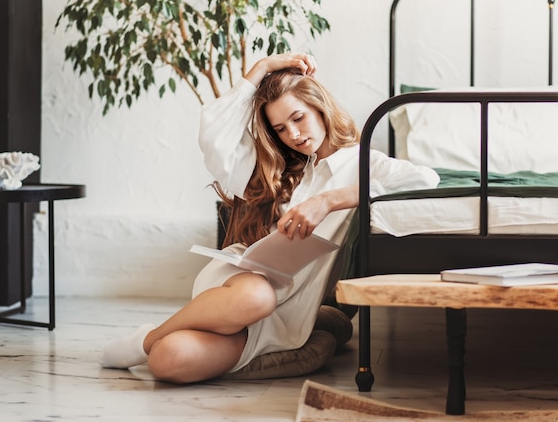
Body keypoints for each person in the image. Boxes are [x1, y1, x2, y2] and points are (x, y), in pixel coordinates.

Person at [98, 53, 440, 383]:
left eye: (298, 118)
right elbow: (215, 138)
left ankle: (154, 341)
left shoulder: (364, 163)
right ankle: (145, 341)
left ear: (320, 108)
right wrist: (262, 68)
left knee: (168, 359)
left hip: (286, 315)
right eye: (280, 128)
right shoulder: (273, 164)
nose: (292, 134)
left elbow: (426, 180)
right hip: (238, 282)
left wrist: (328, 201)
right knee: (255, 296)